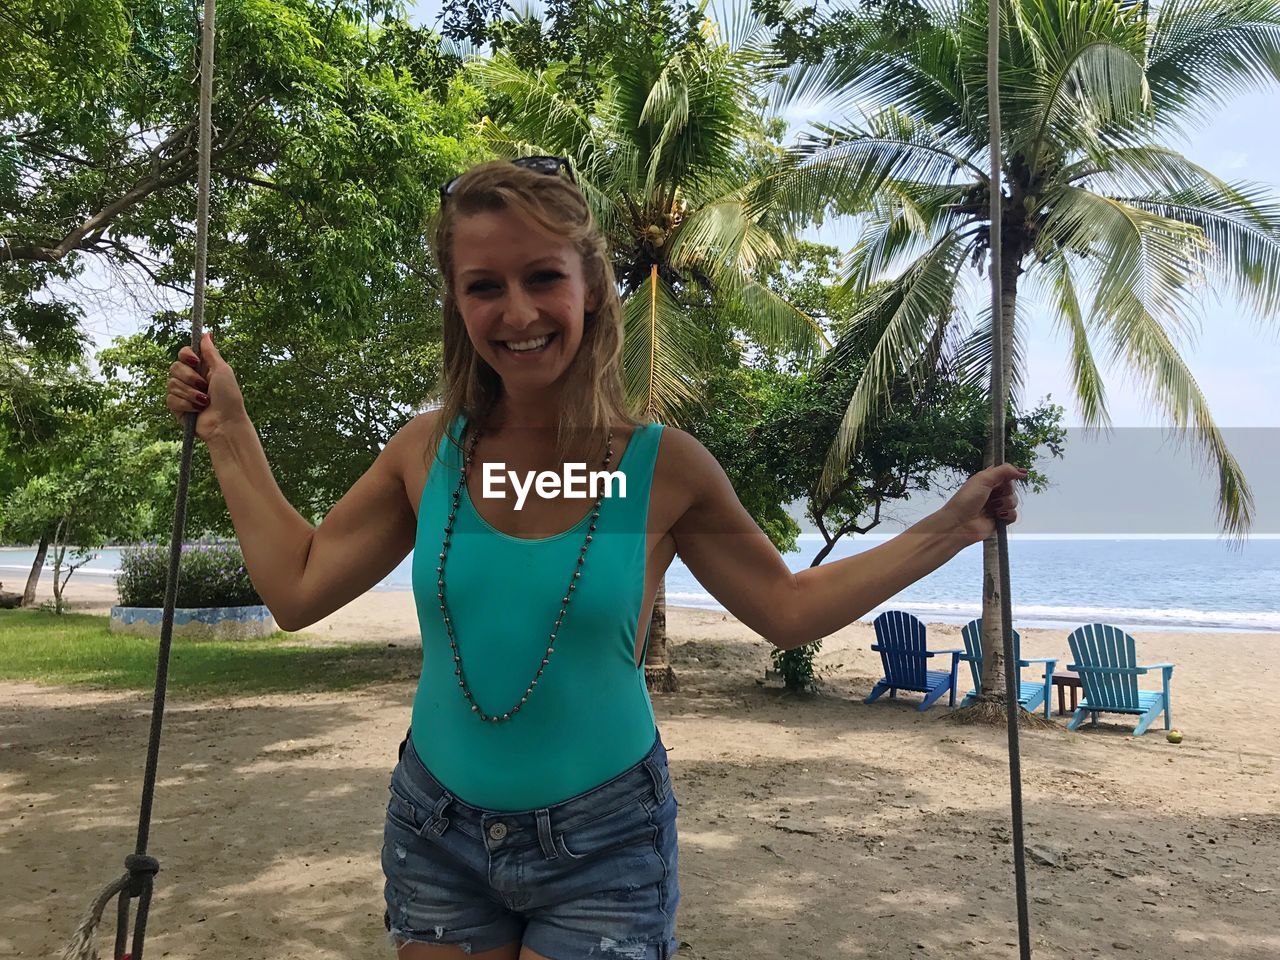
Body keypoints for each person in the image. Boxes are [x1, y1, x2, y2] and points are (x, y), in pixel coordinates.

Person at [166, 157, 1024, 960]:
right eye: (483, 287)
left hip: (606, 842)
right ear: (457, 305)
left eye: (543, 277)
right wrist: (230, 431)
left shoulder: (662, 469)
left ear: (592, 287)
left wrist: (947, 530)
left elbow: (787, 610)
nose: (518, 312)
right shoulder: (425, 453)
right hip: (435, 829)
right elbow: (297, 587)